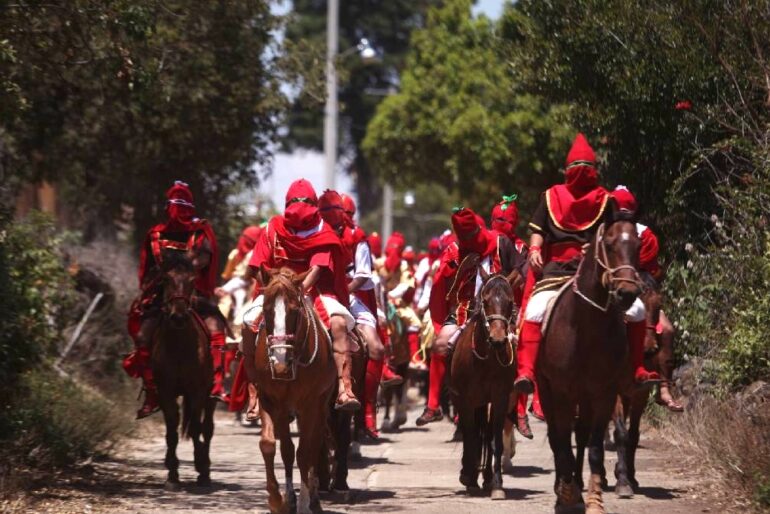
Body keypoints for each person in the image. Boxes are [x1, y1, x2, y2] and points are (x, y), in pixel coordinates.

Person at [515, 135, 660, 409]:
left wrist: (595, 250)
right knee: (534, 309)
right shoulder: (550, 196)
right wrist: (535, 250)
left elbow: (613, 235)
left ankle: (636, 369)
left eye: (587, 167)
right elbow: (538, 231)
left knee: (638, 309)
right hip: (556, 271)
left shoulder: (605, 200)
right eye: (578, 167)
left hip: (596, 272)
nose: (583, 172)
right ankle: (527, 372)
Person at [242, 179, 360, 411]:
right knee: (247, 323)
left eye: (305, 202)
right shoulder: (272, 228)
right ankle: (254, 387)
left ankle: (343, 387)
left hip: (310, 289)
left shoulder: (321, 231)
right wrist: (272, 290)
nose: (300, 206)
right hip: (275, 291)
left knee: (337, 323)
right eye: (295, 202)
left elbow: (317, 268)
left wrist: (297, 291)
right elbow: (256, 266)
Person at [124, 181, 226, 418]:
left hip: (194, 291)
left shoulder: (200, 232)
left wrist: (187, 267)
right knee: (142, 335)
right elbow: (147, 265)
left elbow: (205, 259)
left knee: (216, 328)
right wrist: (161, 277)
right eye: (174, 203)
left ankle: (217, 384)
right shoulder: (155, 233)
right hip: (164, 293)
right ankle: (151, 392)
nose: (178, 210)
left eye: (183, 204)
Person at [416, 207, 525, 426]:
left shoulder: (499, 243)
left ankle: (520, 409)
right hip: (463, 311)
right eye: (463, 237)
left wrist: (508, 284)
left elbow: (521, 267)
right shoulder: (454, 250)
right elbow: (442, 285)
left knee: (522, 342)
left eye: (471, 236)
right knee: (439, 345)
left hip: (498, 310)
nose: (468, 241)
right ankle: (436, 404)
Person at [320, 192, 404, 439]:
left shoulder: (358, 238)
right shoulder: (316, 232)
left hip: (351, 295)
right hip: (319, 293)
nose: (339, 219)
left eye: (344, 215)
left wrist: (342, 290)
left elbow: (363, 275)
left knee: (376, 348)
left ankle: (367, 411)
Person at [611, 186, 682, 412]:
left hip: (641, 293)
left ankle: (664, 387)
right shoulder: (604, 231)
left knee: (668, 330)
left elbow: (649, 269)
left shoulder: (645, 234)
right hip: (613, 292)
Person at [489, 194, 543, 437]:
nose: (501, 222)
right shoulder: (485, 242)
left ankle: (521, 410)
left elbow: (524, 277)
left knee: (524, 349)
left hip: (516, 308)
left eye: (505, 219)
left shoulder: (523, 247)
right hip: (488, 306)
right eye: (497, 218)